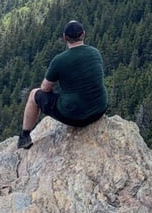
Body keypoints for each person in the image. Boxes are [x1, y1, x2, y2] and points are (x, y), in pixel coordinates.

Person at [18, 20, 108, 149]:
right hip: (100, 109)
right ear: (83, 34)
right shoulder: (95, 52)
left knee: (34, 94)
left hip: (76, 117)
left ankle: (24, 136)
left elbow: (45, 88)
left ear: (65, 37)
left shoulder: (59, 60)